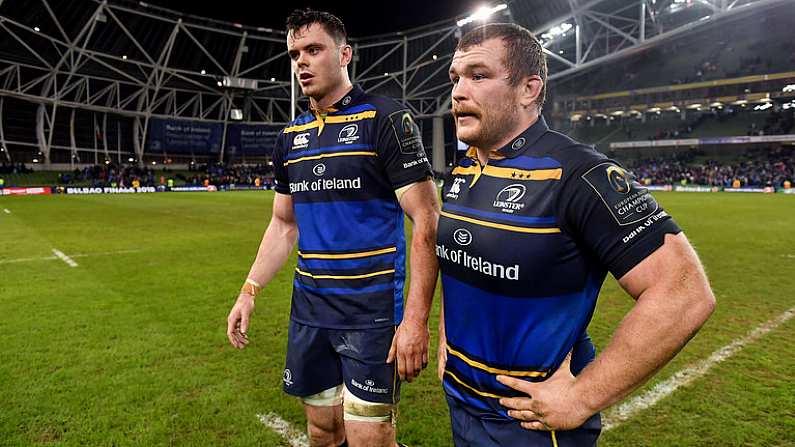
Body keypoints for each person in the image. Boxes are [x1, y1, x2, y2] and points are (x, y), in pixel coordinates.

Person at [436, 23, 715, 446]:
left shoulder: (580, 173)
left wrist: (581, 397)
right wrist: (446, 346)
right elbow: (462, 272)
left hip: (530, 425)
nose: (457, 91)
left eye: (478, 75)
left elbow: (684, 291)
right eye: (455, 78)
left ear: (529, 89)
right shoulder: (462, 170)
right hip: (461, 405)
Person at [226, 8, 439, 447]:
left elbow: (427, 219)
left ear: (345, 54)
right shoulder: (290, 137)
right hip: (311, 313)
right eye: (294, 54)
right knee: (322, 433)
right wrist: (248, 289)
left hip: (372, 314)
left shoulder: (384, 120)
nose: (301, 62)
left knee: (369, 438)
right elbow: (283, 225)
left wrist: (415, 320)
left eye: (313, 50)